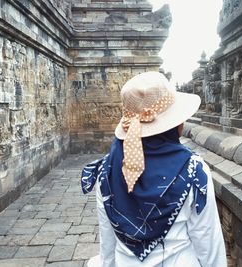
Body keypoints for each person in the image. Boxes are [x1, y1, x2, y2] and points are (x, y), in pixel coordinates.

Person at [81, 71, 227, 267]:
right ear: (175, 125)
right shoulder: (193, 169)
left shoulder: (105, 171)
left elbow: (107, 243)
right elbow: (208, 242)